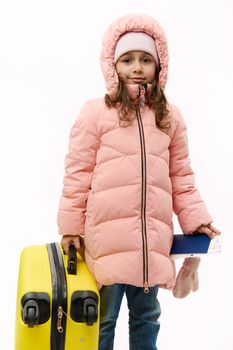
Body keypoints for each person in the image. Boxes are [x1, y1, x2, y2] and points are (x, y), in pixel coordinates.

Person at [57, 13, 221, 350]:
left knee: (147, 319)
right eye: (128, 59)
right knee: (102, 321)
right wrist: (71, 227)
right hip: (107, 244)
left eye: (146, 59)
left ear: (159, 67)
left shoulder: (170, 118)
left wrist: (197, 220)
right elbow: (77, 173)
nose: (136, 67)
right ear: (113, 65)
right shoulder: (95, 112)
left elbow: (182, 177)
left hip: (152, 246)